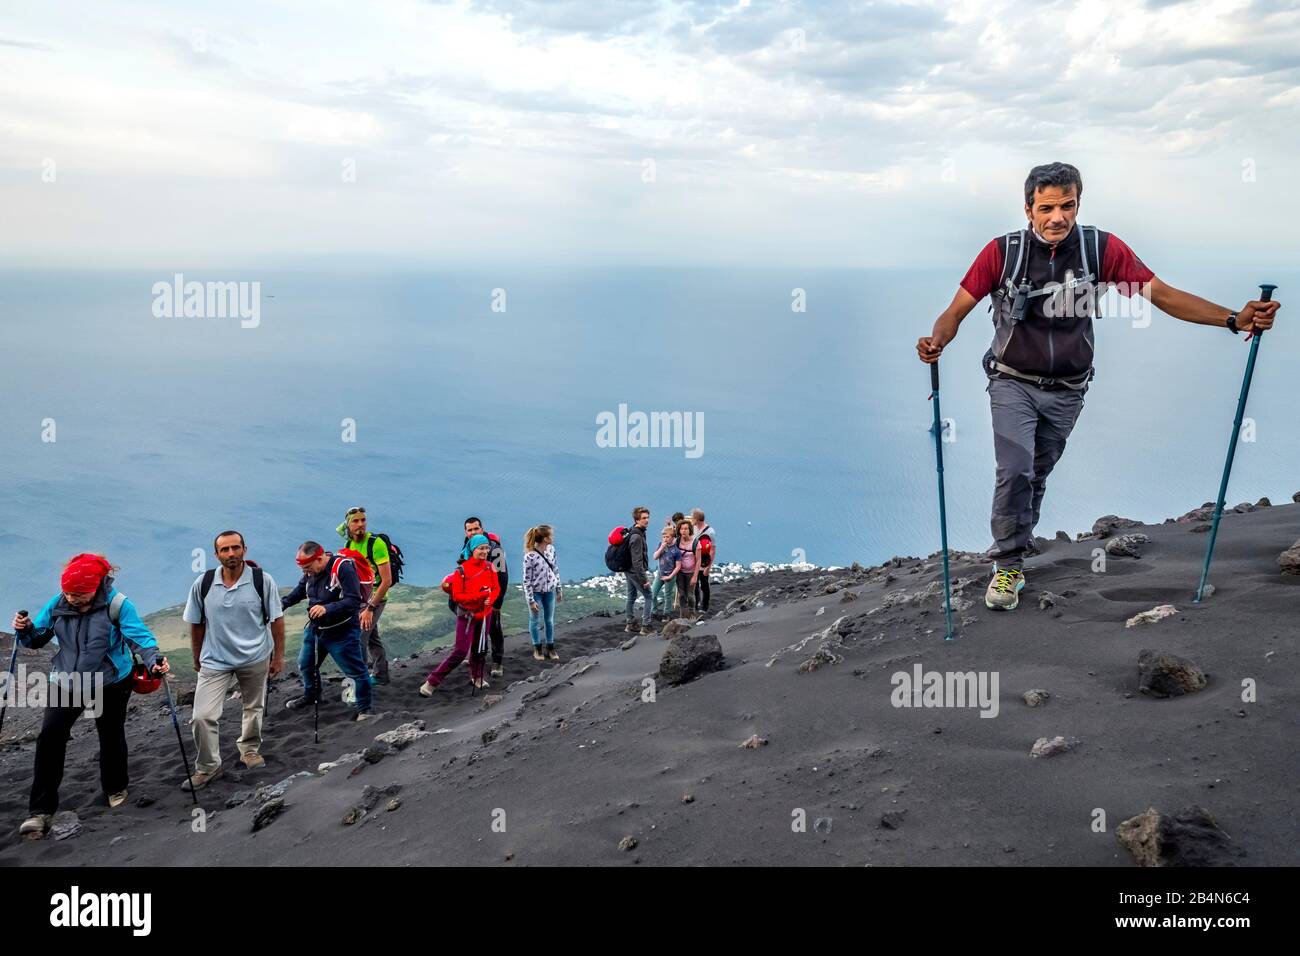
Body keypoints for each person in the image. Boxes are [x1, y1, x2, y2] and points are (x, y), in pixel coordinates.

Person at [917, 161, 1282, 611]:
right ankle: (1008, 562)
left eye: (1066, 205)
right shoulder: (1002, 252)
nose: (1057, 217)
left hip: (1069, 389)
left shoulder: (1101, 249)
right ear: (1028, 209)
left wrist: (1232, 319)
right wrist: (937, 340)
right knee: (1014, 470)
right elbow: (955, 311)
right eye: (1046, 207)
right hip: (1011, 381)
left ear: (1078, 204)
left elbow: (1163, 296)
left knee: (1036, 474)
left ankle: (1017, 544)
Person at [12, 554, 168, 837]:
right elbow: (37, 639)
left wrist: (154, 659)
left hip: (109, 681)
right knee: (50, 737)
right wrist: (24, 631)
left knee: (110, 734)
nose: (72, 599)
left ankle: (115, 788)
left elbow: (141, 639)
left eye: (79, 594)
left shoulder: (118, 605)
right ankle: (40, 811)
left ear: (96, 586)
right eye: (69, 593)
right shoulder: (58, 603)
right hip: (66, 681)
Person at [180, 531, 285, 789]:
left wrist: (278, 656)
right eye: (225, 549)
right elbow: (196, 623)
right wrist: (197, 656)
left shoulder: (262, 581)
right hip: (215, 660)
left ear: (244, 550)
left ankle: (249, 750)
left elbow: (277, 620)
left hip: (255, 656)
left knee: (253, 707)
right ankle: (208, 767)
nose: (231, 554)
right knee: (202, 716)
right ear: (216, 555)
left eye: (235, 548)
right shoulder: (203, 583)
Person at [281, 542, 374, 720]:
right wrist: (282, 604)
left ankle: (365, 709)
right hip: (316, 629)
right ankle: (312, 695)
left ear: (319, 558)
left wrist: (327, 608)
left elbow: (353, 600)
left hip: (342, 631)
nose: (305, 572)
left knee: (355, 670)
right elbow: (301, 590)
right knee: (306, 664)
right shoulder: (310, 573)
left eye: (307, 567)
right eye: (303, 569)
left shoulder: (343, 568)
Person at [423, 534, 501, 693]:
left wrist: (490, 599)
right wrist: (481, 596)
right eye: (481, 548)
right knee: (460, 651)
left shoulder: (490, 567)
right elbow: (458, 596)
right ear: (473, 549)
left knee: (480, 648)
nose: (485, 551)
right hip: (467, 615)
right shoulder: (461, 571)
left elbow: (496, 588)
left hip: (485, 614)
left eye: (486, 548)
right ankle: (431, 682)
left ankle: (477, 677)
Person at [336, 507, 393, 685]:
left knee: (359, 637)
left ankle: (359, 682)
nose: (360, 524)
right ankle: (381, 675)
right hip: (359, 599)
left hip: (376, 598)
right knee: (371, 637)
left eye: (363, 520)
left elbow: (386, 581)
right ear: (348, 524)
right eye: (355, 521)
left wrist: (370, 608)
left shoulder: (376, 544)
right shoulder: (348, 546)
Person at [460, 517, 509, 679]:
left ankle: (497, 662)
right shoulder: (467, 546)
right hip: (474, 597)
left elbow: (503, 577)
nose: (473, 532)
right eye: (470, 530)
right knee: (474, 626)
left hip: (491, 596)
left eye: (476, 529)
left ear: (482, 529)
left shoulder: (495, 550)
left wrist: (498, 602)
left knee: (494, 627)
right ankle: (475, 656)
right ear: (465, 532)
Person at [522, 525, 562, 661]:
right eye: (551, 535)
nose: (553, 537)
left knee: (549, 620)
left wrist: (558, 589)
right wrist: (531, 600)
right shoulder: (530, 556)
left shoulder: (551, 550)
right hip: (536, 593)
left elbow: (555, 570)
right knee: (534, 620)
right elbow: (526, 580)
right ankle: (537, 648)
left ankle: (550, 647)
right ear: (545, 538)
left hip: (549, 591)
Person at [623, 507, 653, 634]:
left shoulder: (634, 531)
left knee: (632, 595)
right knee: (649, 596)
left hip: (628, 570)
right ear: (637, 519)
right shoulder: (637, 537)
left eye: (648, 517)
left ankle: (630, 624)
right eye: (644, 518)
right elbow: (637, 562)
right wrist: (644, 580)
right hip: (635, 571)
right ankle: (646, 626)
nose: (647, 520)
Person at [651, 526, 681, 620]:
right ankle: (654, 611)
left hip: (670, 576)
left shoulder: (676, 551)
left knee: (667, 595)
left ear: (672, 537)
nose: (665, 539)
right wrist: (661, 548)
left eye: (667, 537)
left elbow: (678, 566)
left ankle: (666, 613)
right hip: (660, 574)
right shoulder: (661, 545)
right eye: (664, 537)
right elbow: (655, 557)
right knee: (652, 593)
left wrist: (670, 576)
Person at [690, 509, 717, 614]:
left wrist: (708, 567)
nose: (691, 519)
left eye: (692, 517)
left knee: (704, 584)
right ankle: (696, 606)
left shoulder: (710, 532)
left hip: (704, 562)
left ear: (697, 519)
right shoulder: (693, 528)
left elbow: (712, 550)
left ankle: (705, 606)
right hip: (695, 562)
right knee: (695, 585)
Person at [675, 521, 698, 617]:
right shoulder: (677, 541)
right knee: (682, 595)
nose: (683, 531)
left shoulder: (695, 542)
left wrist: (695, 576)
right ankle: (683, 614)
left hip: (691, 572)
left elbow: (699, 560)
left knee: (690, 595)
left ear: (690, 530)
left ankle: (692, 613)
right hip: (680, 572)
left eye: (686, 529)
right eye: (681, 529)